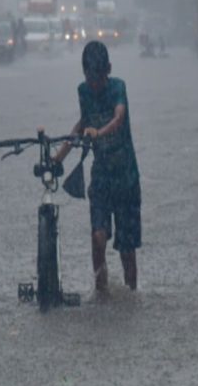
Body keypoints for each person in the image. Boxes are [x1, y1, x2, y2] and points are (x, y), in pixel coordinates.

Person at [53, 41, 141, 292]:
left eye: (98, 79)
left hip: (126, 178)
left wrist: (98, 133)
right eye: (89, 79)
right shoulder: (83, 92)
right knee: (97, 237)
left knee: (127, 250)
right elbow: (82, 124)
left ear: (108, 71)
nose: (94, 85)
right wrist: (59, 157)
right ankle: (101, 292)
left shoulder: (117, 88)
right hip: (101, 177)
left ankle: (131, 294)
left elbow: (119, 117)